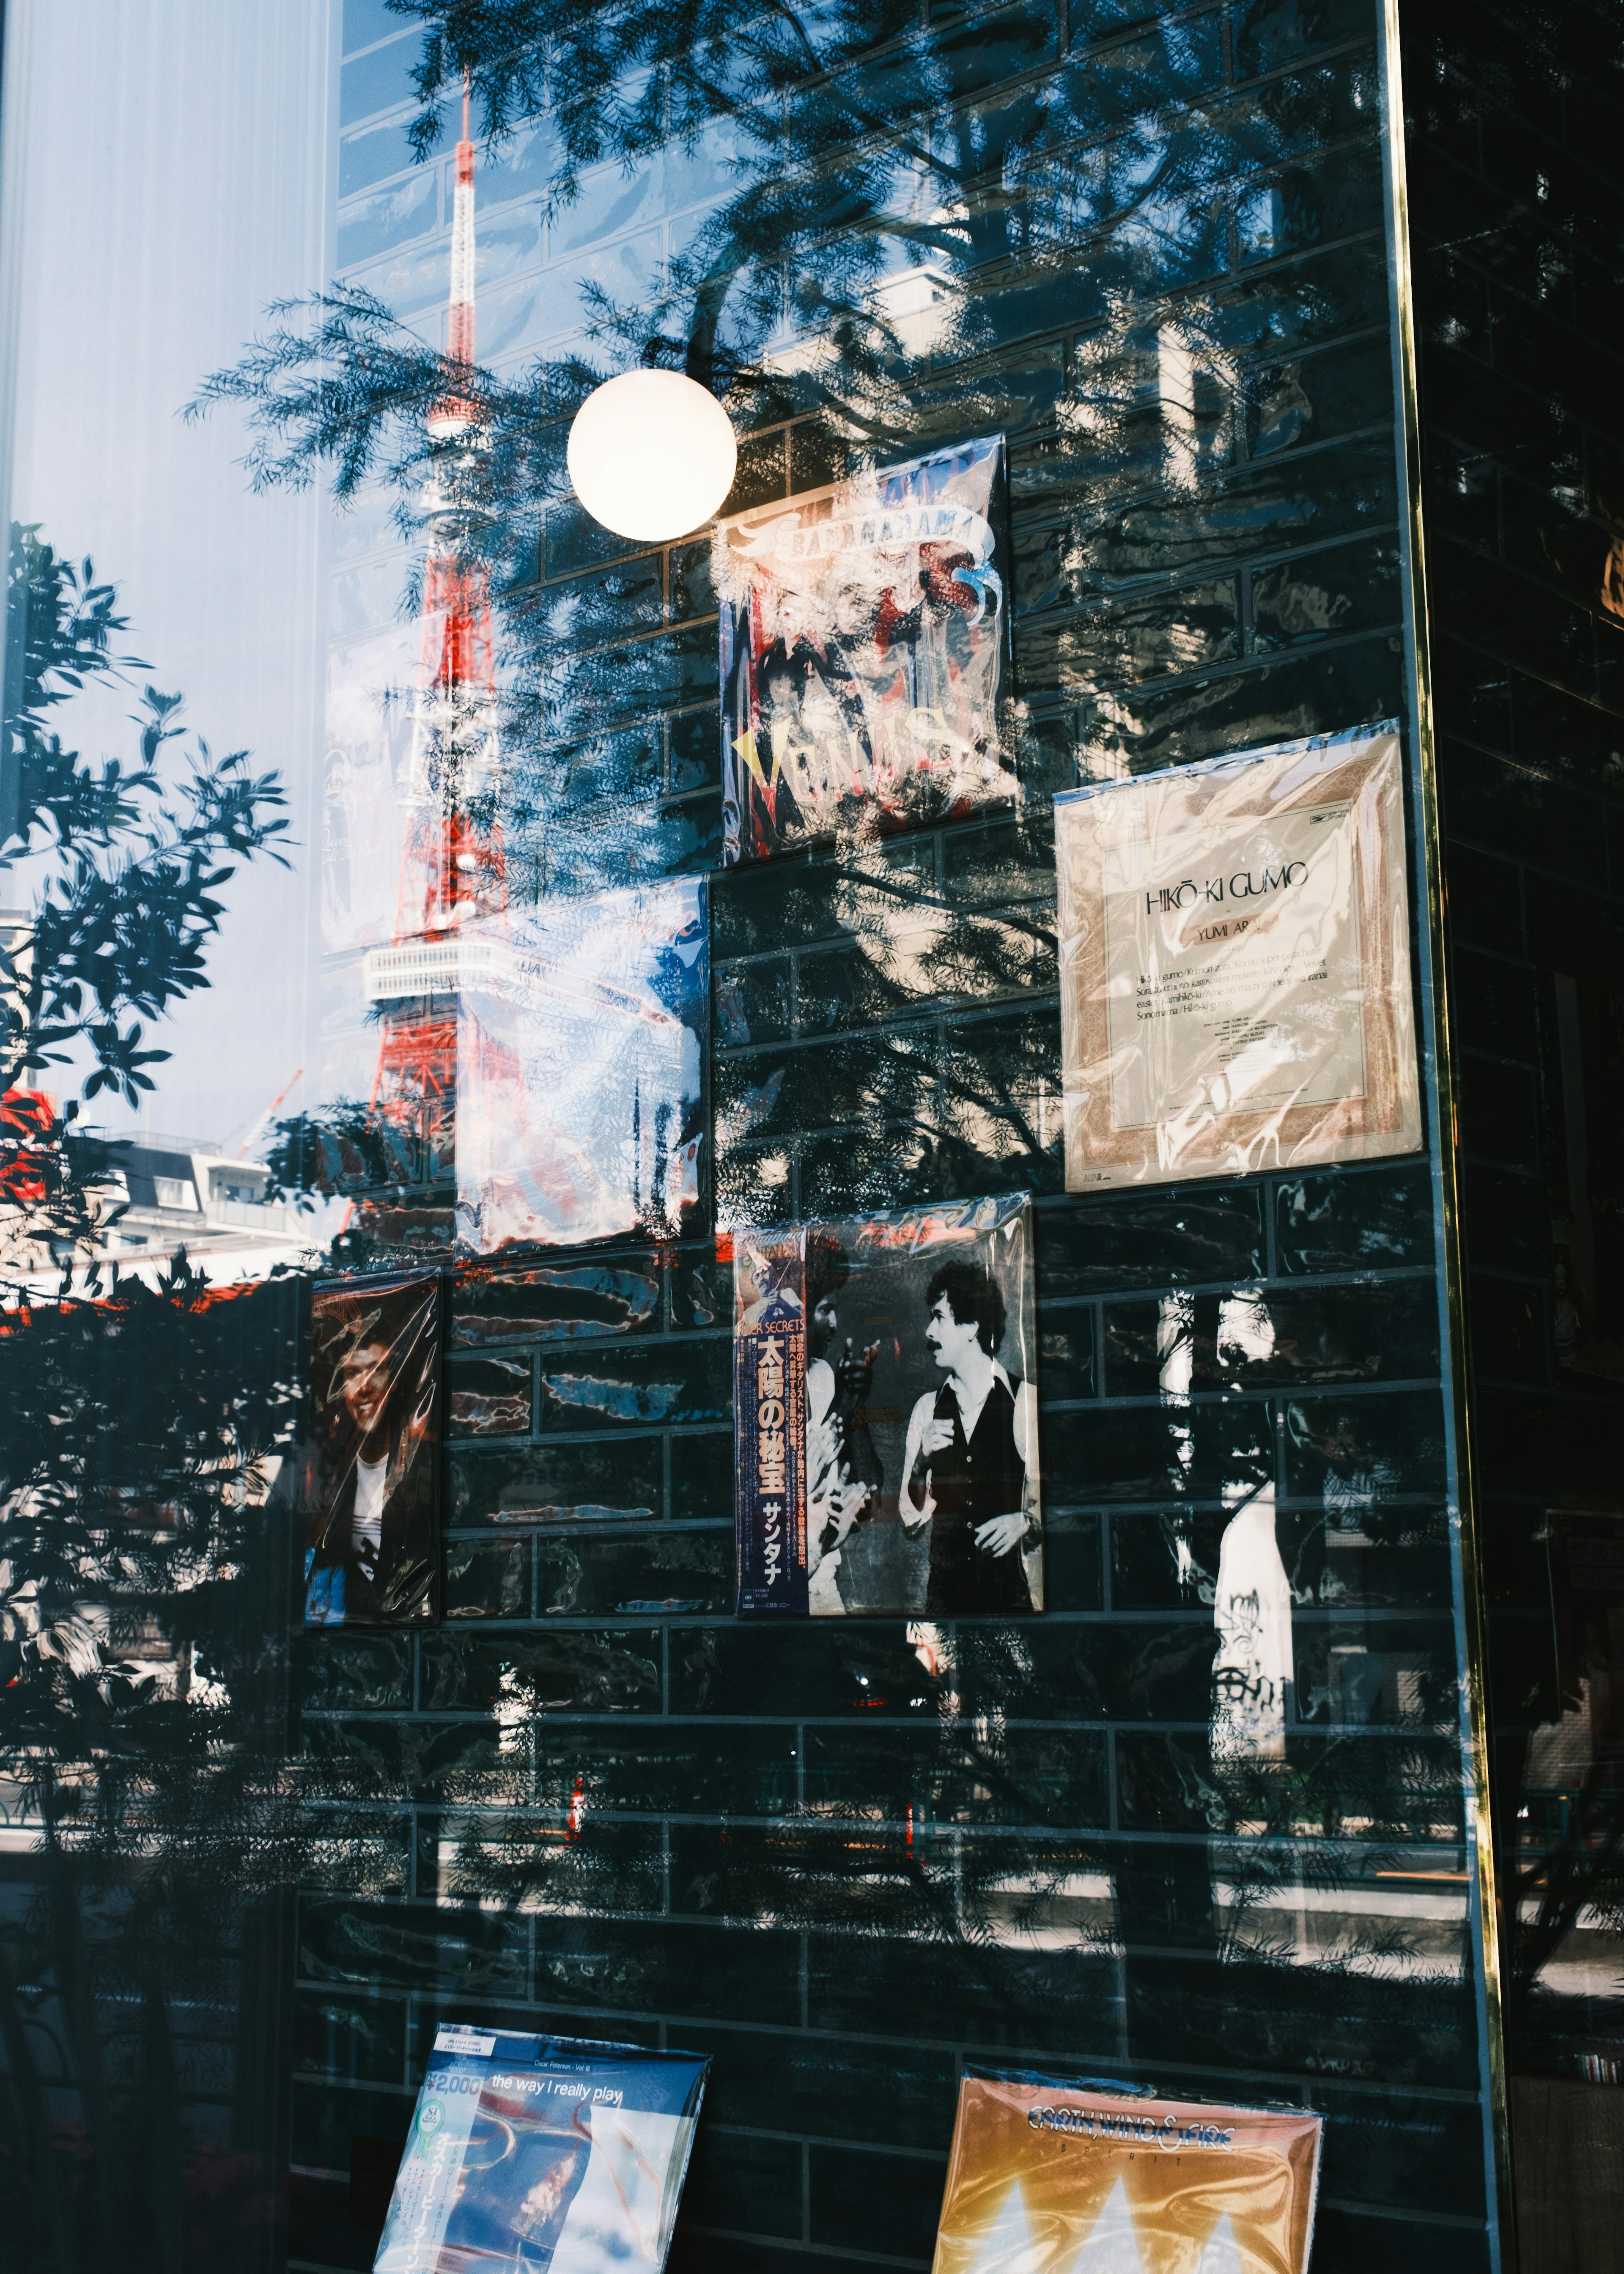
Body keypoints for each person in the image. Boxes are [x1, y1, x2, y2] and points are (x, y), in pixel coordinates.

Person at [899, 1258, 1037, 1614]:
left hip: (1010, 1604)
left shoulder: (1024, 1401)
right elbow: (909, 1521)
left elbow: (1066, 1505)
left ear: (972, 1325)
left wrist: (1025, 1521)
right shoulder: (927, 1409)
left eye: (940, 1318)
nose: (929, 1331)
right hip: (945, 1608)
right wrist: (919, 1465)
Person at [303, 1289, 438, 1625]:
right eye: (352, 1374)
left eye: (375, 1369)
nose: (363, 1387)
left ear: (395, 1378)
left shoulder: (424, 1466)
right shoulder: (329, 1476)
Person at [804, 1233, 882, 1614]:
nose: (834, 1323)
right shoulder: (758, 1388)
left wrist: (854, 1406)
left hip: (825, 1582)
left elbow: (869, 1482)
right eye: (824, 1309)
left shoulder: (821, 1376)